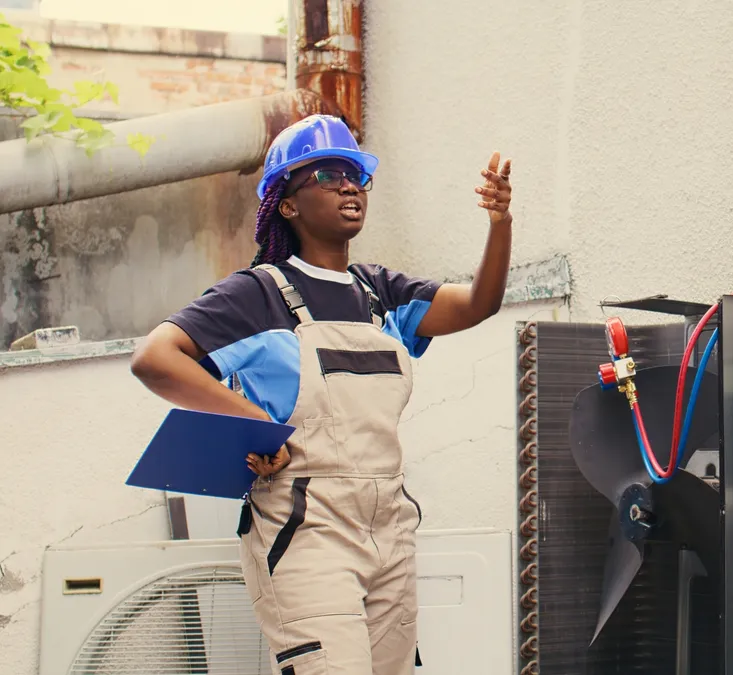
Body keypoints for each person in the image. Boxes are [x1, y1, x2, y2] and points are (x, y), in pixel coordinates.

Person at [130, 114, 515, 674]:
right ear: (286, 204)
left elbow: (480, 302)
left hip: (391, 528)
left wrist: (500, 222)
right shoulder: (256, 295)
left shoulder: (381, 293)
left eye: (356, 174)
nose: (349, 185)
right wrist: (257, 422)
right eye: (328, 174)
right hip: (307, 532)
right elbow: (155, 358)